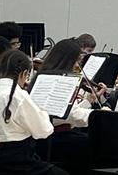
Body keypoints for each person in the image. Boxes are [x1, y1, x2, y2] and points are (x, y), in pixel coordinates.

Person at [0, 50, 66, 175]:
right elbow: (44, 131)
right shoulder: (19, 96)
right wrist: (40, 110)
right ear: (24, 73)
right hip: (18, 161)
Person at [36, 38, 103, 173]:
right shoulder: (59, 80)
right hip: (53, 138)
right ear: (67, 60)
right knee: (99, 147)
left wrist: (88, 101)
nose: (79, 66)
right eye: (77, 60)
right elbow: (70, 115)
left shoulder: (42, 76)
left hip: (54, 137)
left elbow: (70, 113)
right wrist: (101, 115)